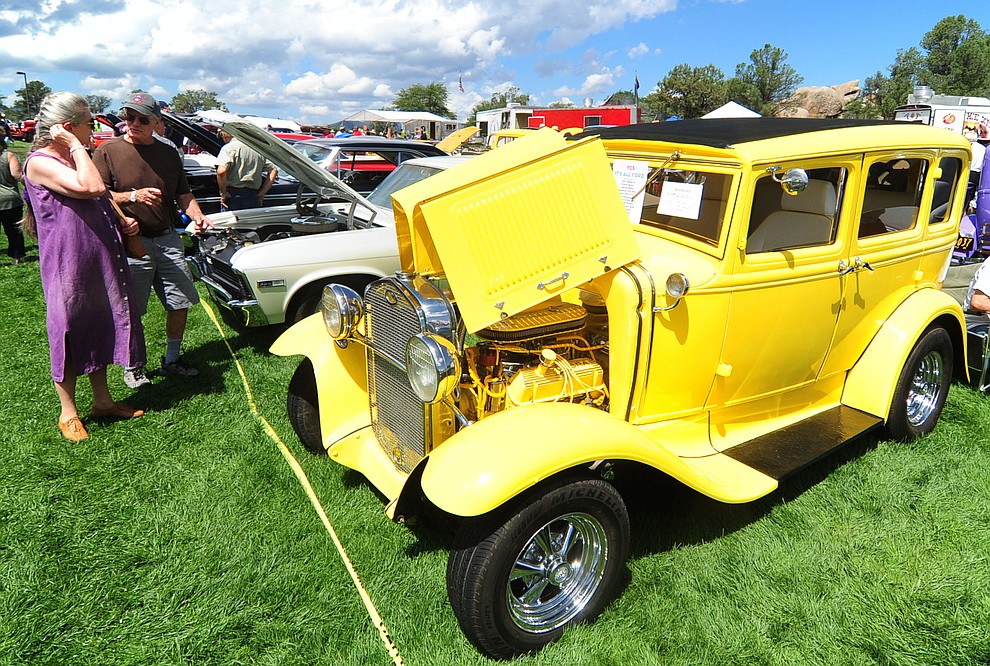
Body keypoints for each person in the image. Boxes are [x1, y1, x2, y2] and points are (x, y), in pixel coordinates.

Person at [20, 92, 146, 441]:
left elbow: (100, 198)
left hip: (99, 256)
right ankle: (68, 413)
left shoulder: (78, 158)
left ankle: (103, 402)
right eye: (88, 122)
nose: (93, 128)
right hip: (67, 263)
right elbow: (90, 187)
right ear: (66, 127)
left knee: (99, 323)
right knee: (69, 330)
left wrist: (122, 224)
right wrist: (75, 145)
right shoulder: (39, 162)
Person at [93, 92, 212, 388]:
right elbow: (97, 194)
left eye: (142, 118)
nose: (133, 123)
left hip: (169, 239)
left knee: (180, 301)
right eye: (128, 116)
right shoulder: (107, 151)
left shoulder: (169, 153)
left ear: (157, 123)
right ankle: (133, 365)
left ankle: (172, 359)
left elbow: (183, 194)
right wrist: (133, 196)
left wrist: (197, 216)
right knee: (133, 309)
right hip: (132, 243)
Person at [215, 128, 278, 210]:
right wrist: (262, 193)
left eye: (220, 135)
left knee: (232, 222)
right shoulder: (257, 149)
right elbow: (274, 170)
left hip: (233, 196)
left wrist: (223, 193)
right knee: (251, 222)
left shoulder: (228, 148)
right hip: (253, 196)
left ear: (224, 134)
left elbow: (221, 171)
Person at [0, 124, 26, 264]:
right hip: (10, 200)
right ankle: (17, 257)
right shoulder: (9, 156)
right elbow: (17, 175)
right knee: (14, 231)